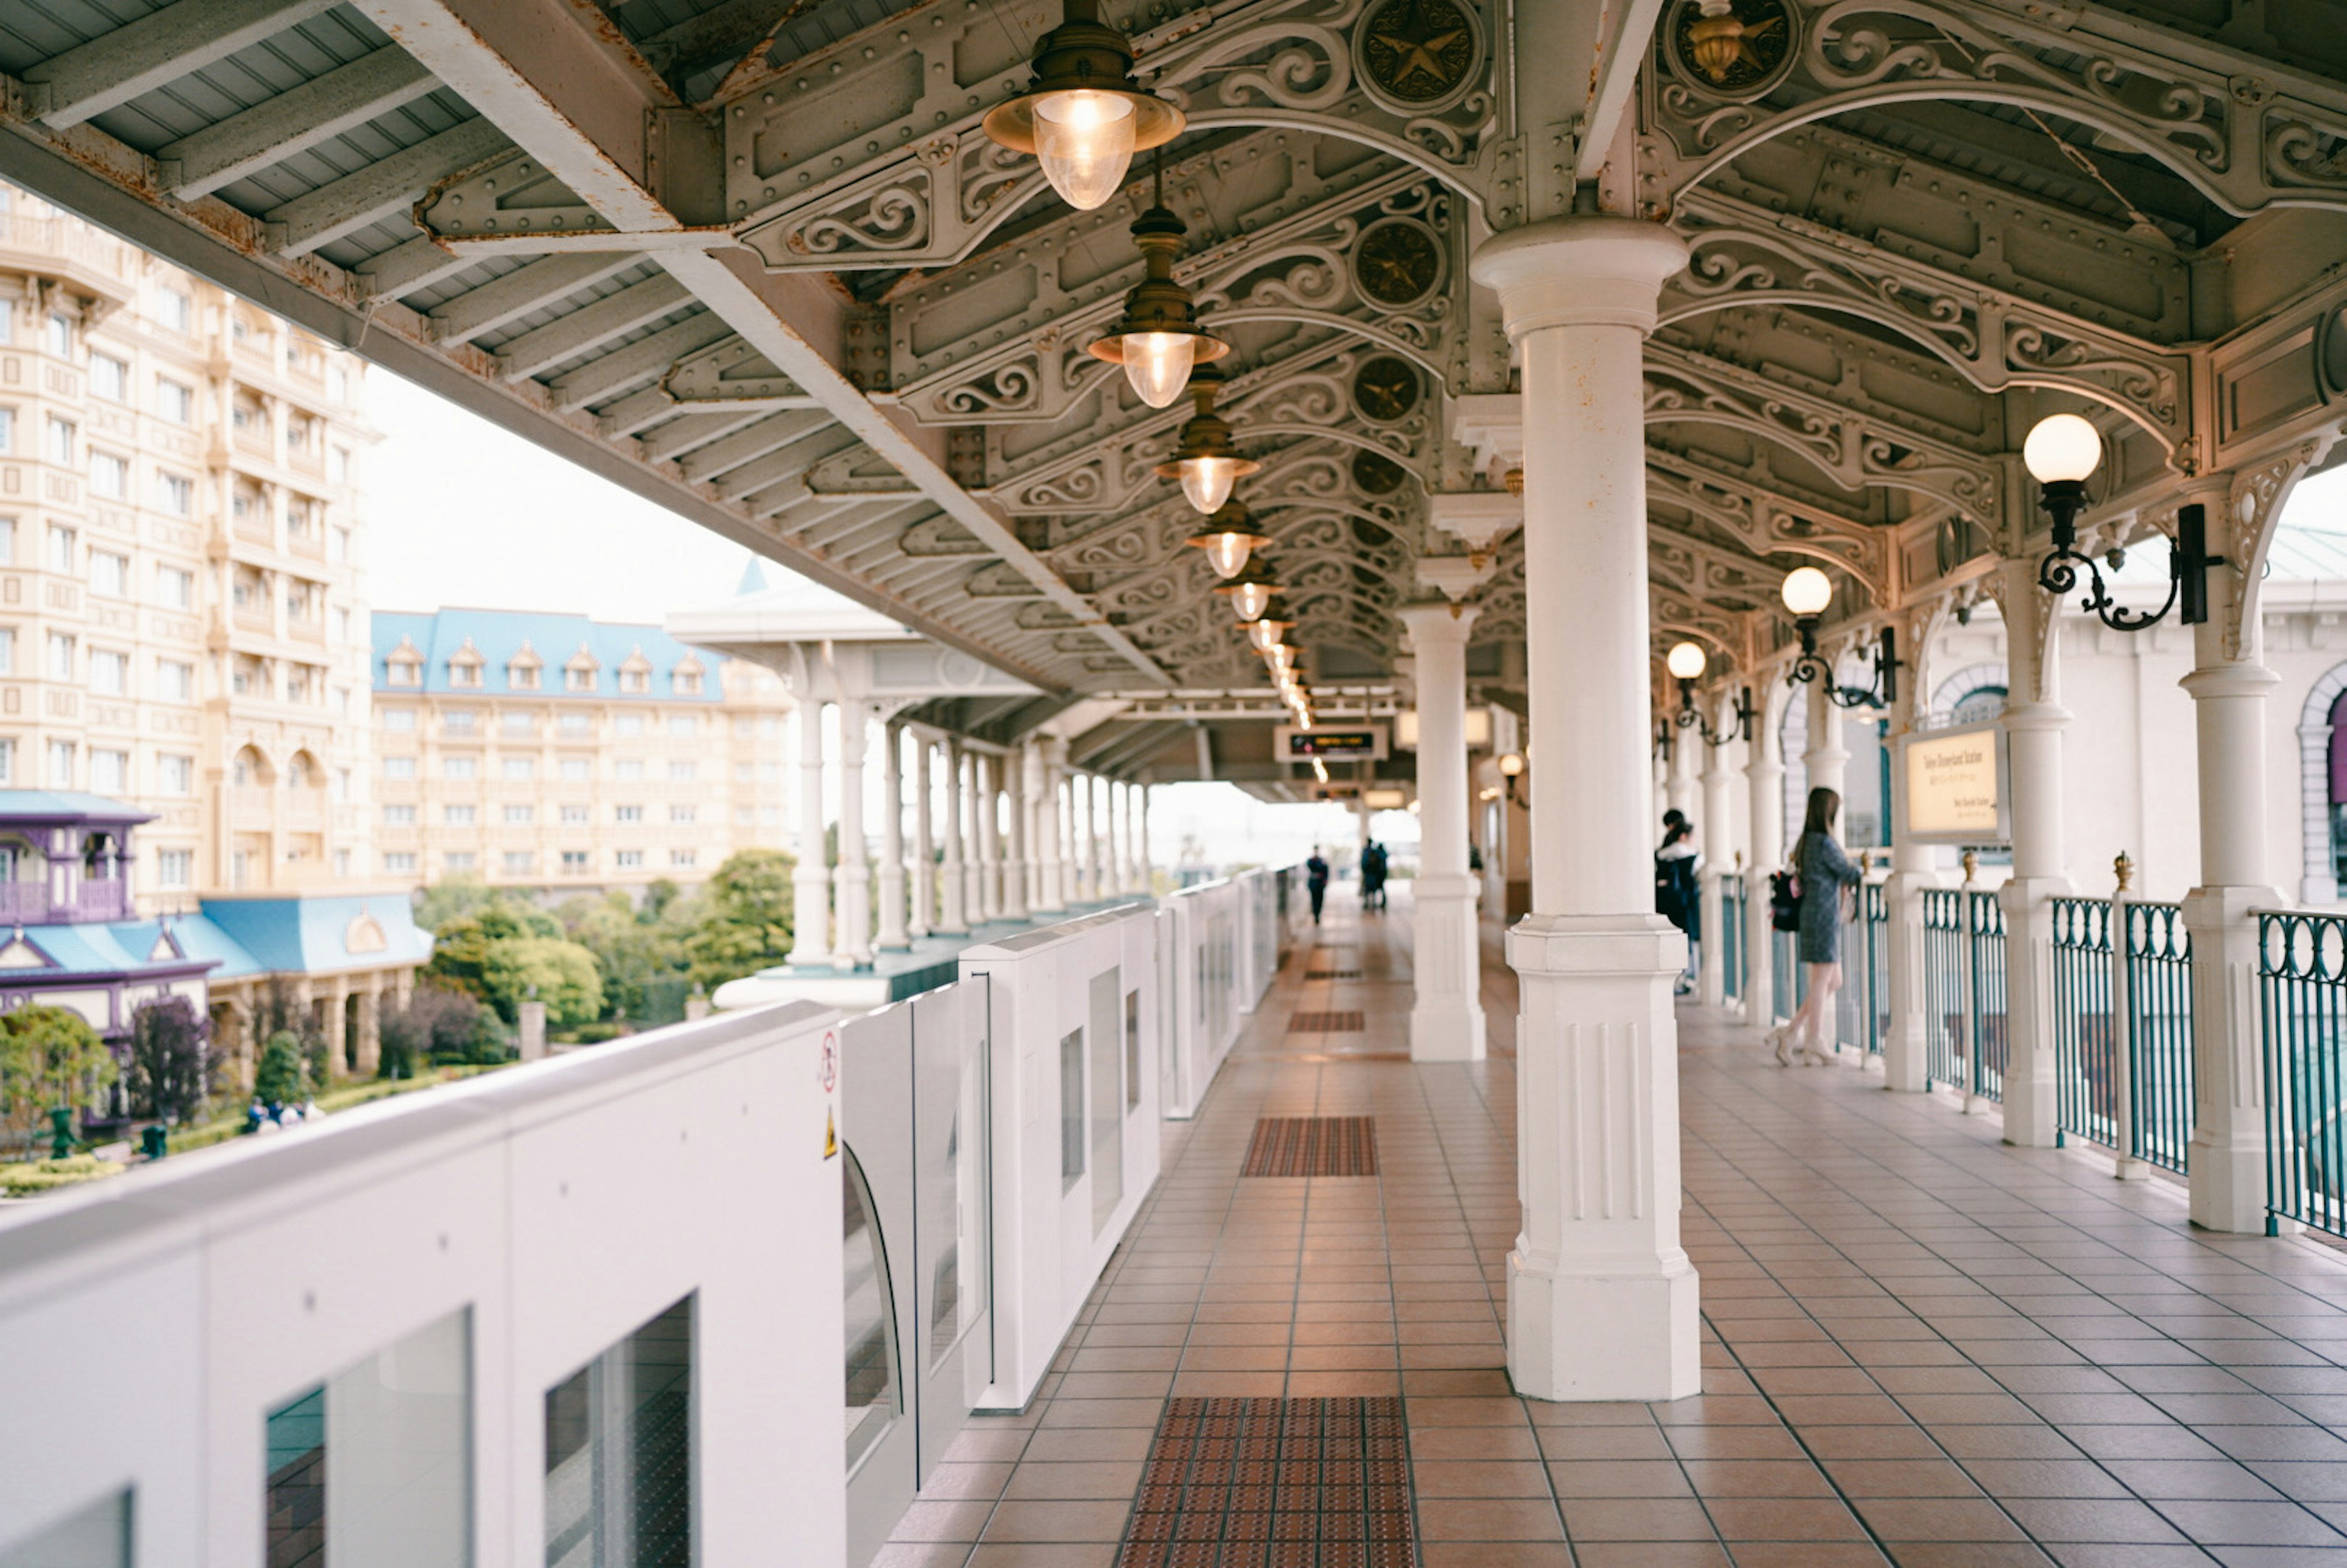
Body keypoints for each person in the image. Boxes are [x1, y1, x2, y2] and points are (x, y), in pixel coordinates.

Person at [1769, 787, 1862, 1067]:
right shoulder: (1823, 842)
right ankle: (1814, 1040)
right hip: (1823, 916)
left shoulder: (1806, 841)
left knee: (1833, 980)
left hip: (1814, 913)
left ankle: (1791, 1032)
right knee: (1823, 980)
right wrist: (1858, 868)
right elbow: (1849, 873)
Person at [1654, 813, 1700, 996]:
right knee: (1687, 939)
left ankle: (1673, 978)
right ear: (1684, 836)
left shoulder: (1662, 854)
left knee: (1670, 940)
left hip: (1665, 903)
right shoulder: (1692, 856)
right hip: (1685, 904)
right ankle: (1686, 978)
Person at [1361, 840, 1388, 910]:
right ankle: (1374, 903)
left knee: (1369, 889)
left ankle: (1368, 903)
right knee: (1378, 889)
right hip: (1378, 874)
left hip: (1370, 874)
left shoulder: (1367, 851)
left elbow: (1364, 863)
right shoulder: (1378, 852)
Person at [1306, 848, 1330, 923]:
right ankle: (1315, 914)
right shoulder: (1311, 861)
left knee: (1320, 899)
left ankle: (1318, 913)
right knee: (1314, 899)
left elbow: (1326, 870)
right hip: (1314, 883)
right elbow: (1310, 866)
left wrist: (1325, 880)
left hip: (1320, 883)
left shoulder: (1322, 861)